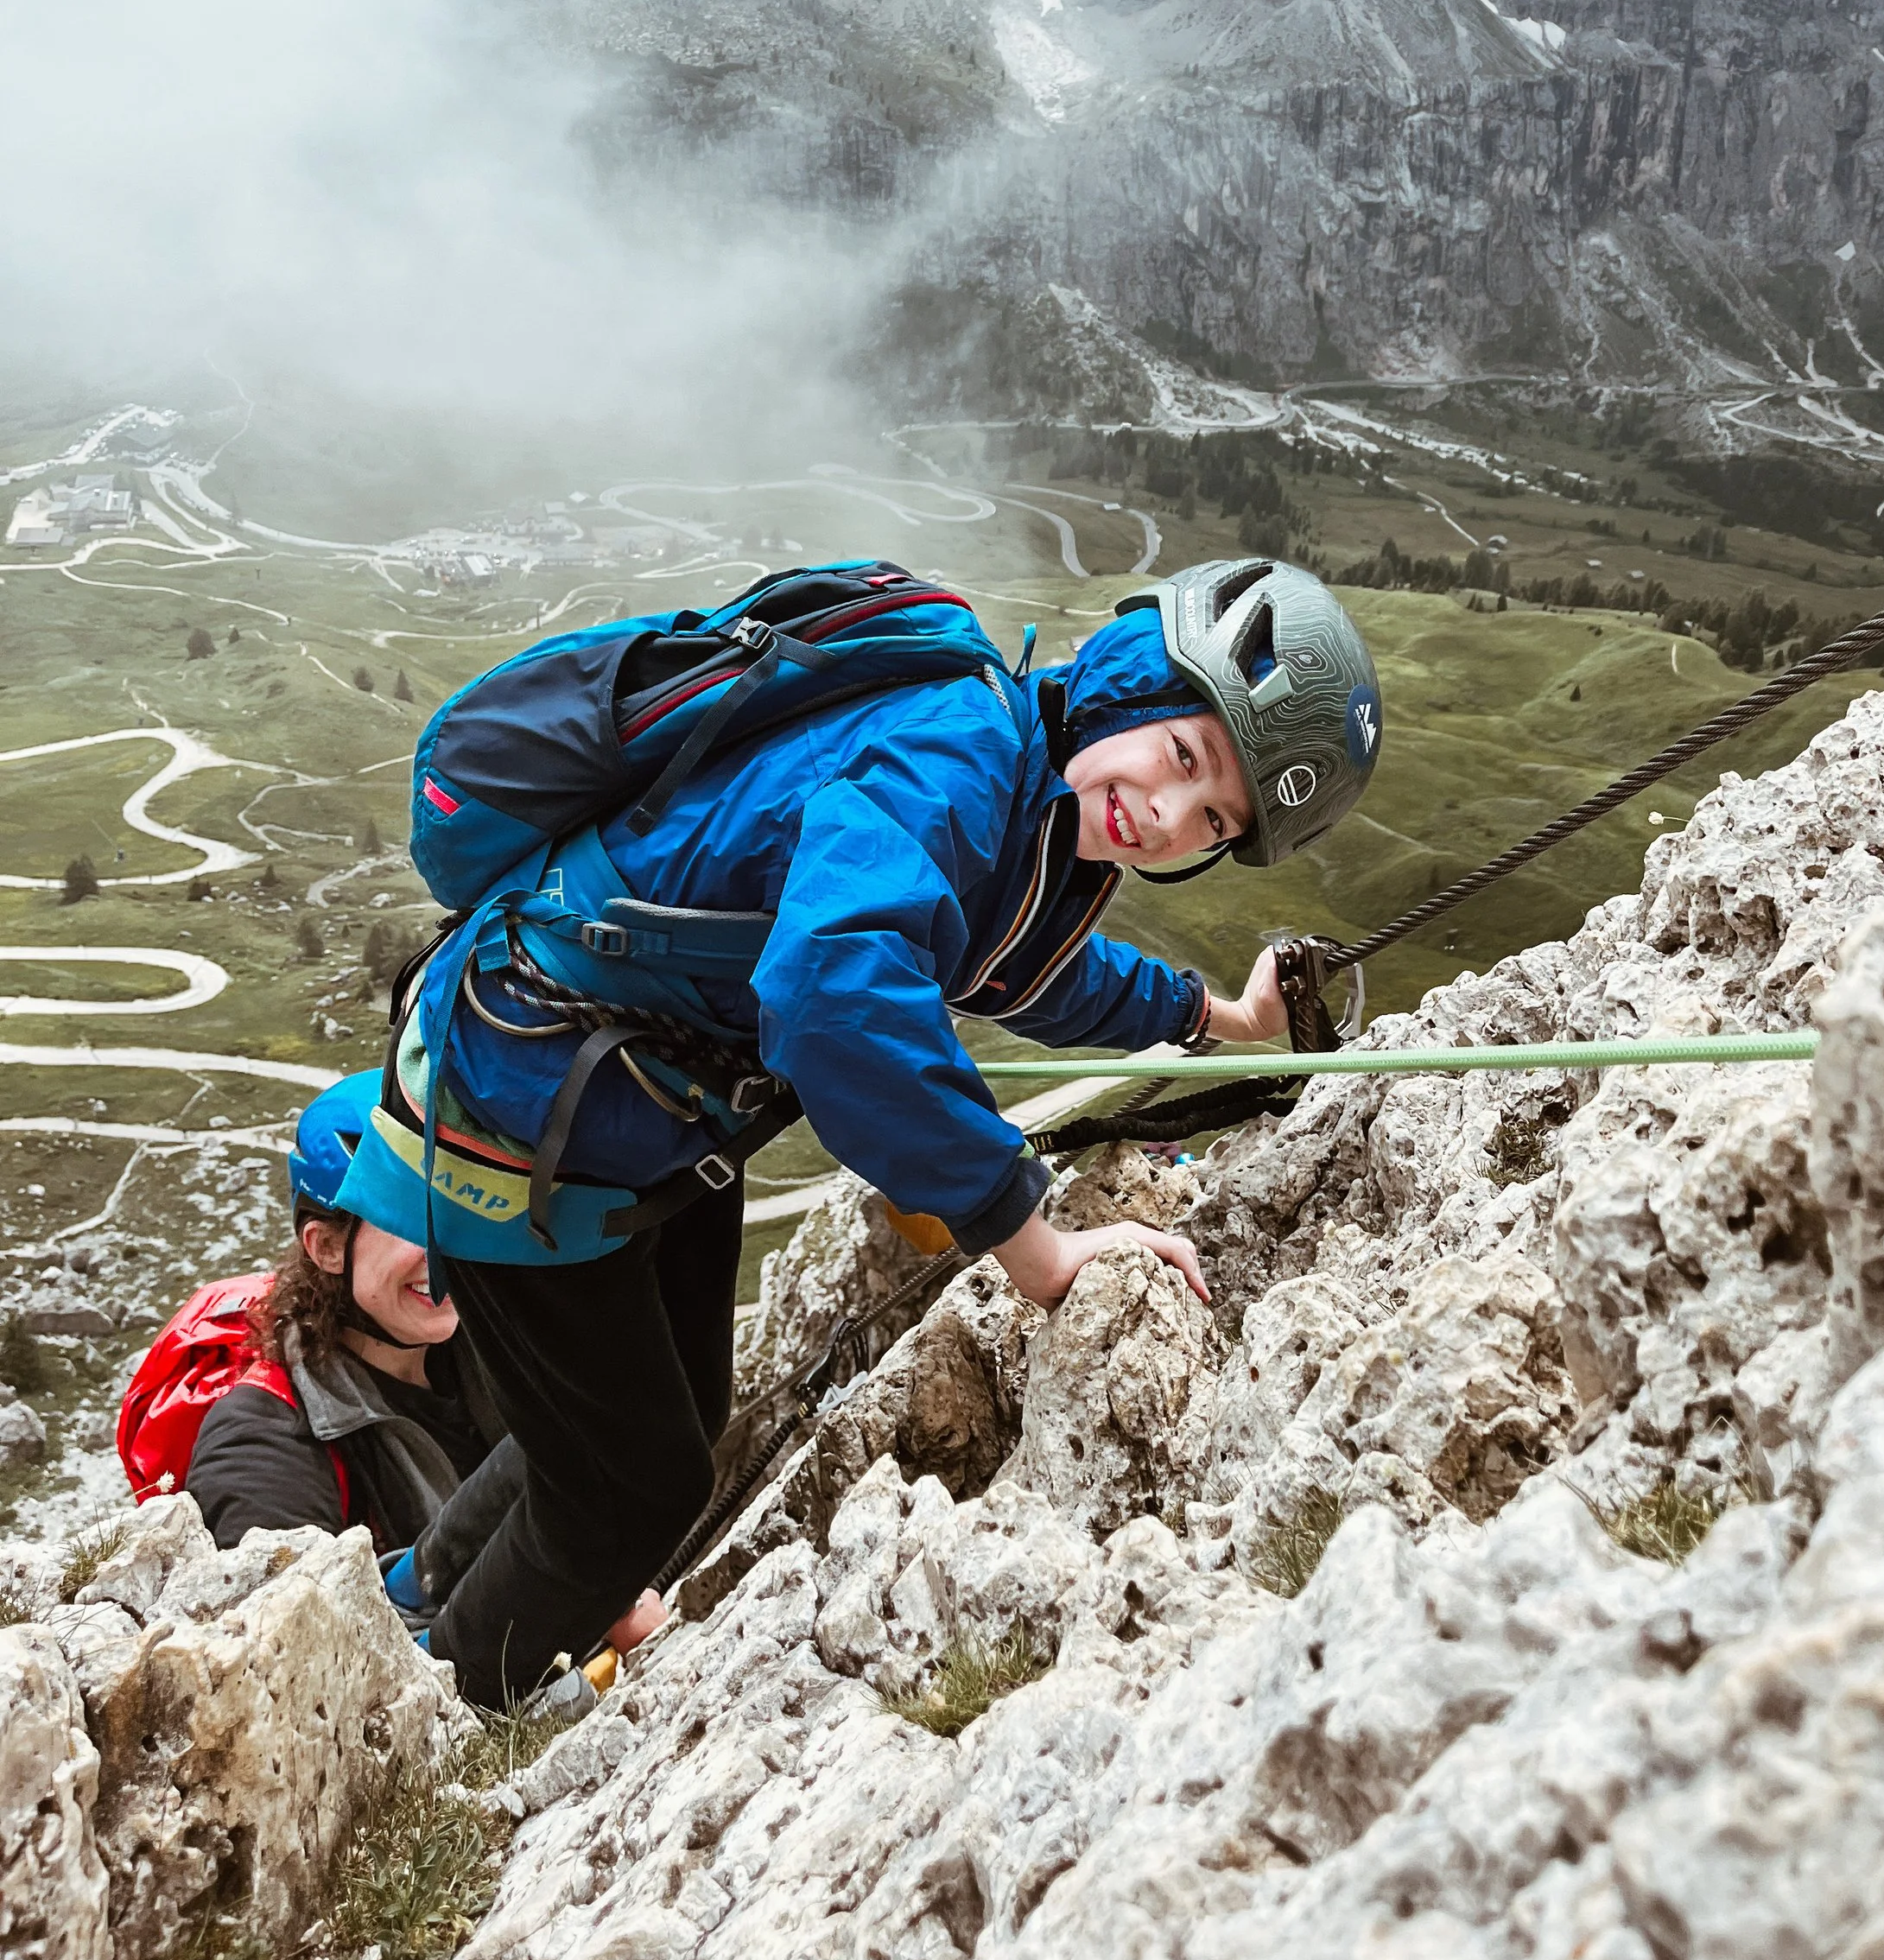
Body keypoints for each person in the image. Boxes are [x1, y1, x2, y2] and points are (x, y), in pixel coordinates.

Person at [334, 555, 1382, 1706]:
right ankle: (451, 1710)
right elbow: (833, 997)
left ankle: (419, 1597)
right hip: (526, 1097)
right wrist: (1034, 1247)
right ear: (1134, 682)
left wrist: (1222, 1018)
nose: (1170, 815)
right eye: (1184, 755)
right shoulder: (963, 755)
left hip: (624, 1094)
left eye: (1214, 816)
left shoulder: (1030, 794)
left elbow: (1027, 967)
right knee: (636, 1486)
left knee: (666, 1422)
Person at [183, 1071, 502, 1551]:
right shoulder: (264, 1448)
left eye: (464, 1215)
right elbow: (302, 1621)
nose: (450, 1255)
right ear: (328, 1247)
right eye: (413, 1223)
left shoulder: (498, 1345)